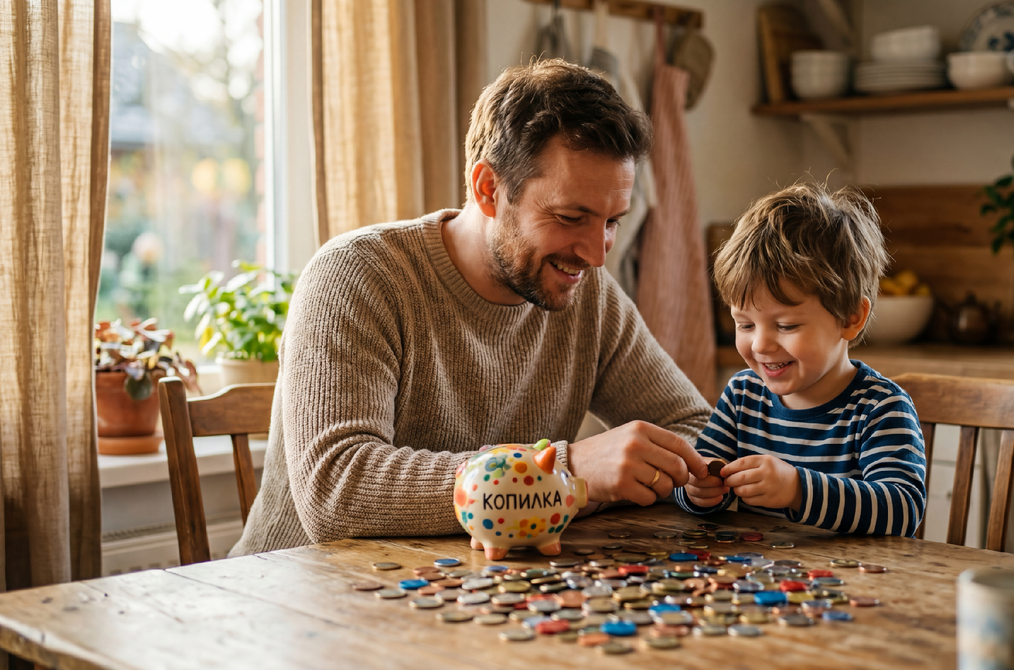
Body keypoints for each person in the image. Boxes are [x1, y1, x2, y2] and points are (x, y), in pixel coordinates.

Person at [230, 59, 712, 556]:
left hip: (475, 596)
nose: (596, 253)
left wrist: (617, 473)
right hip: (294, 601)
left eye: (612, 221)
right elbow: (337, 492)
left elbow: (696, 431)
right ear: (488, 189)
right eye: (571, 217)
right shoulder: (356, 276)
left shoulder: (587, 291)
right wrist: (564, 472)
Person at [674, 183, 927, 537]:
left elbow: (903, 510)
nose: (760, 344)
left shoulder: (880, 408)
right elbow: (695, 478)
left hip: (856, 585)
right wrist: (697, 492)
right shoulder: (742, 396)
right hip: (758, 581)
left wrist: (798, 490)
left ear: (851, 318)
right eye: (744, 324)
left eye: (786, 325)